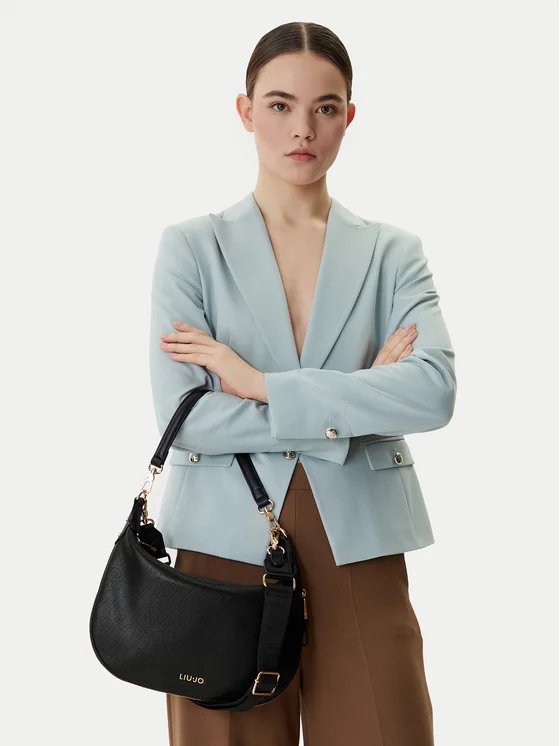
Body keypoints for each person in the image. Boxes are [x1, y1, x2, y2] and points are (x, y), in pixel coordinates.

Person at [151, 20, 456, 746]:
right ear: (245, 111)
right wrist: (356, 401)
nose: (303, 129)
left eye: (325, 108)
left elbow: (433, 391)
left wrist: (260, 385)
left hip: (363, 537)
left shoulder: (393, 253)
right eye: (280, 105)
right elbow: (188, 418)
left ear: (349, 116)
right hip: (221, 541)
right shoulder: (191, 248)